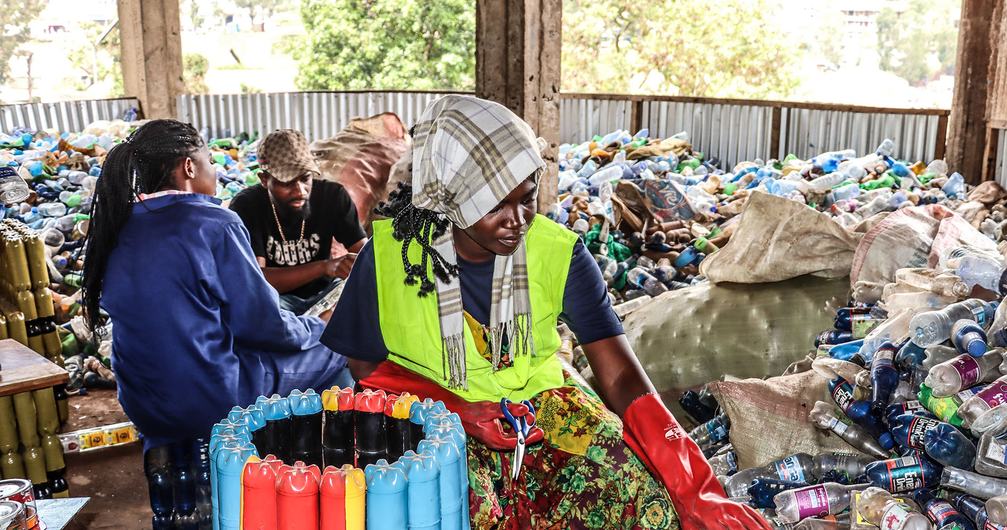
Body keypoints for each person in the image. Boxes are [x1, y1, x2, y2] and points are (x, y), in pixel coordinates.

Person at [322, 96, 767, 529]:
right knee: (449, 504)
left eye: (527, 197)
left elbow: (619, 376)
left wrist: (695, 488)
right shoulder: (386, 259)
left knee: (638, 496)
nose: (517, 219)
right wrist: (458, 409)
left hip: (538, 415)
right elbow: (365, 367)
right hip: (432, 414)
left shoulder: (559, 253)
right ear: (451, 198)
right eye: (496, 204)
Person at [81, 119, 348, 526]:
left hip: (142, 399)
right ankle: (307, 486)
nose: (215, 170)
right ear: (189, 167)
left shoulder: (118, 223)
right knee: (338, 352)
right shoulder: (213, 222)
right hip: (207, 395)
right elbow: (262, 324)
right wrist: (318, 329)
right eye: (208, 160)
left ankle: (180, 495)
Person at [229, 129, 367, 314]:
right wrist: (324, 267)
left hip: (324, 293)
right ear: (264, 179)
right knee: (254, 310)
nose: (300, 191)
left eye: (305, 178)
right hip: (275, 299)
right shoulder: (247, 205)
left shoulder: (332, 196)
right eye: (287, 182)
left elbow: (364, 254)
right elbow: (256, 280)